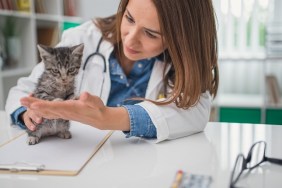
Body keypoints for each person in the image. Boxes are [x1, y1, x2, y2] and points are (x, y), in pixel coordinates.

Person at [5, 0, 218, 143]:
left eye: (151, 34)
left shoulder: (178, 62)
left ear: (180, 40)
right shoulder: (81, 39)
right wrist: (28, 114)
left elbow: (196, 112)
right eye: (129, 18)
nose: (130, 39)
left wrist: (110, 117)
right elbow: (22, 91)